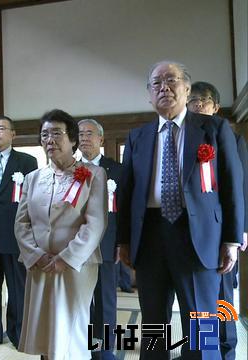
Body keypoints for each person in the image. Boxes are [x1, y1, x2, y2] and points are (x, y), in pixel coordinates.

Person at [117, 62, 243, 360]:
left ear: (187, 88)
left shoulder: (214, 128)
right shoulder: (138, 137)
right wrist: (123, 240)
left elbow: (231, 186)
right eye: (156, 83)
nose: (164, 87)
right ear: (149, 94)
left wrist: (232, 240)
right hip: (150, 237)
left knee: (202, 323)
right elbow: (128, 193)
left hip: (199, 236)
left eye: (171, 80)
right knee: (153, 324)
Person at [15, 109, 107, 359]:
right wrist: (36, 256)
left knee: (70, 330)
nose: (49, 140)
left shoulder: (93, 175)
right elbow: (21, 223)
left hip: (75, 267)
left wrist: (66, 258)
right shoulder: (33, 178)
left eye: (57, 133)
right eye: (44, 134)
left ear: (73, 139)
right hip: (39, 266)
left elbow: (95, 223)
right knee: (43, 329)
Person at [186, 81, 248, 360]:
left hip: (222, 231)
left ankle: (228, 349)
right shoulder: (182, 136)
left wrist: (241, 229)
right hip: (190, 233)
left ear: (215, 106)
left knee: (224, 295)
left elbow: (242, 186)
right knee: (197, 300)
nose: (197, 104)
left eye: (203, 100)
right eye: (193, 100)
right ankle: (201, 350)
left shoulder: (232, 137)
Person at [0, 116, 37, 349]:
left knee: (17, 288)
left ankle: (18, 331)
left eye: (2, 129)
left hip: (15, 235)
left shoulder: (27, 161)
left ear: (13, 134)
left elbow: (33, 200)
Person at [78, 118, 122, 360]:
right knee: (78, 299)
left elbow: (123, 212)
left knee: (105, 299)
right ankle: (81, 345)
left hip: (107, 244)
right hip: (75, 246)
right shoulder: (69, 168)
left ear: (101, 139)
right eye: (81, 133)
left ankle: (105, 348)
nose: (84, 137)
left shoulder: (116, 169)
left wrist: (121, 243)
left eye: (90, 133)